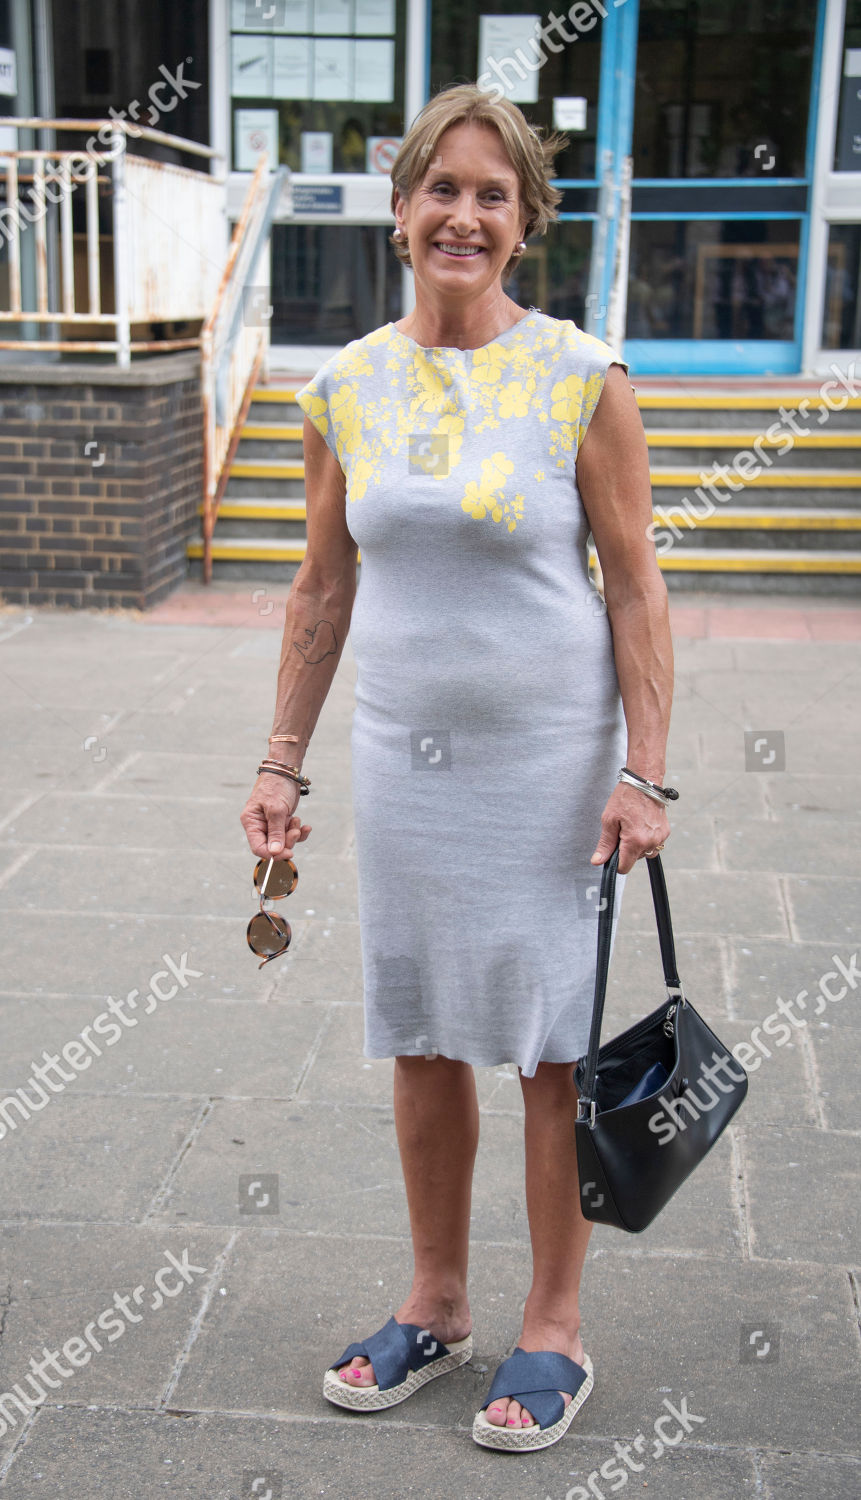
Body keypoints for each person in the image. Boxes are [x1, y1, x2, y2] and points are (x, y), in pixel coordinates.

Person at [240, 81, 673, 1454]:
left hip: (552, 772)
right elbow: (320, 589)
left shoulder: (578, 375)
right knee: (422, 1034)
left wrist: (645, 772)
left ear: (524, 223)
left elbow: (636, 589)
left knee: (550, 1047)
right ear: (399, 210)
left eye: (492, 194)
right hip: (406, 767)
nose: (463, 215)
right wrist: (281, 765)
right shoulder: (343, 386)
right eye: (442, 188)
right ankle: (432, 1303)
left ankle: (553, 1328)